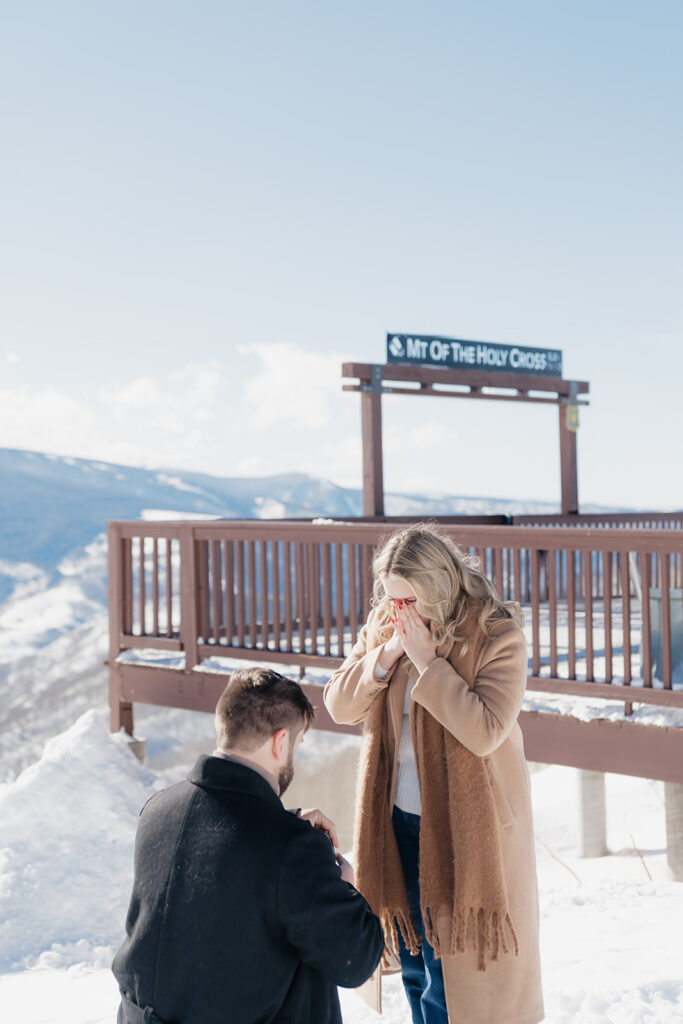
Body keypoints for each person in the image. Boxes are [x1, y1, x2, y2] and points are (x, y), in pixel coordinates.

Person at [324, 523, 545, 1024]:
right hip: (397, 820)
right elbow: (338, 703)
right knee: (416, 965)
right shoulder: (389, 624)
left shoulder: (495, 634)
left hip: (467, 830)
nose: (398, 611)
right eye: (391, 598)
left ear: (437, 587)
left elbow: (486, 729)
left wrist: (427, 660)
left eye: (408, 600)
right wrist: (385, 656)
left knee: (456, 976)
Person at [112, 667, 384, 1024]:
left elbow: (221, 854)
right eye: (297, 745)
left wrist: (286, 825)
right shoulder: (291, 847)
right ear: (281, 742)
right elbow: (355, 961)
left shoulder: (157, 811)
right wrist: (344, 886)